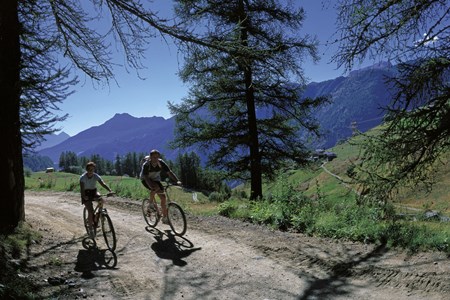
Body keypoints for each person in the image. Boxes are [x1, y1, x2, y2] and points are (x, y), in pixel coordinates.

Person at [140, 149, 181, 224]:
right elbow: (146, 177)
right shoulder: (146, 165)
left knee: (163, 197)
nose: (155, 159)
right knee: (155, 187)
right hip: (145, 179)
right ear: (150, 157)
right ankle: (151, 203)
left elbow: (169, 172)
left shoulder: (161, 162)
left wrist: (177, 180)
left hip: (156, 179)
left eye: (157, 157)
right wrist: (151, 186)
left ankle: (165, 218)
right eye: (154, 157)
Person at [80, 161, 113, 237]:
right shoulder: (83, 178)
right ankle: (91, 229)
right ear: (87, 170)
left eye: (92, 169)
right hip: (85, 193)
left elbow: (102, 184)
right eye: (89, 169)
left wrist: (110, 190)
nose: (91, 171)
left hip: (93, 192)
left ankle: (99, 215)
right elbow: (82, 189)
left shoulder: (96, 176)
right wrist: (84, 196)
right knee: (90, 211)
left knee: (101, 200)